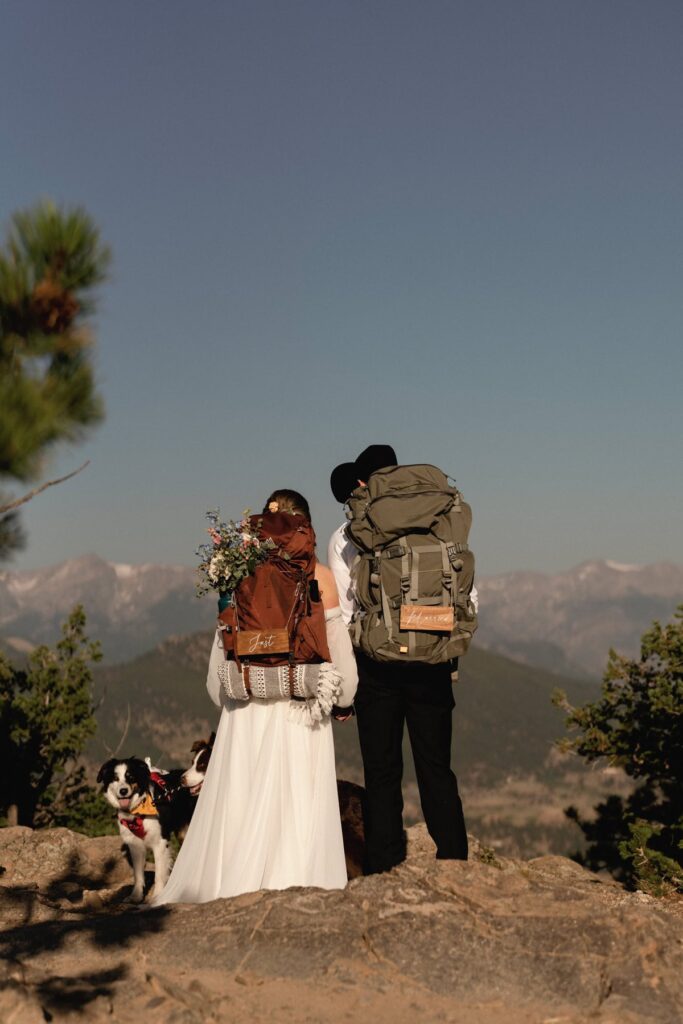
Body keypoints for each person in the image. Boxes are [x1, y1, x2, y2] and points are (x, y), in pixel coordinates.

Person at [154, 489, 358, 904]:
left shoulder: (238, 573)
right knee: (296, 803)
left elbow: (216, 680)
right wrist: (344, 699)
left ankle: (232, 886)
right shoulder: (319, 576)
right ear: (305, 526)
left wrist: (238, 689)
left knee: (243, 799)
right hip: (301, 710)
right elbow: (341, 661)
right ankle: (296, 884)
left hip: (245, 708)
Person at [328, 445, 475, 875]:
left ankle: (385, 867)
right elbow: (465, 590)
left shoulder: (350, 531)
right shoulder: (442, 517)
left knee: (382, 772)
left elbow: (347, 609)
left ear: (365, 481)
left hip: (378, 666)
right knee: (436, 768)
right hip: (434, 658)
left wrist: (347, 684)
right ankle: (454, 863)